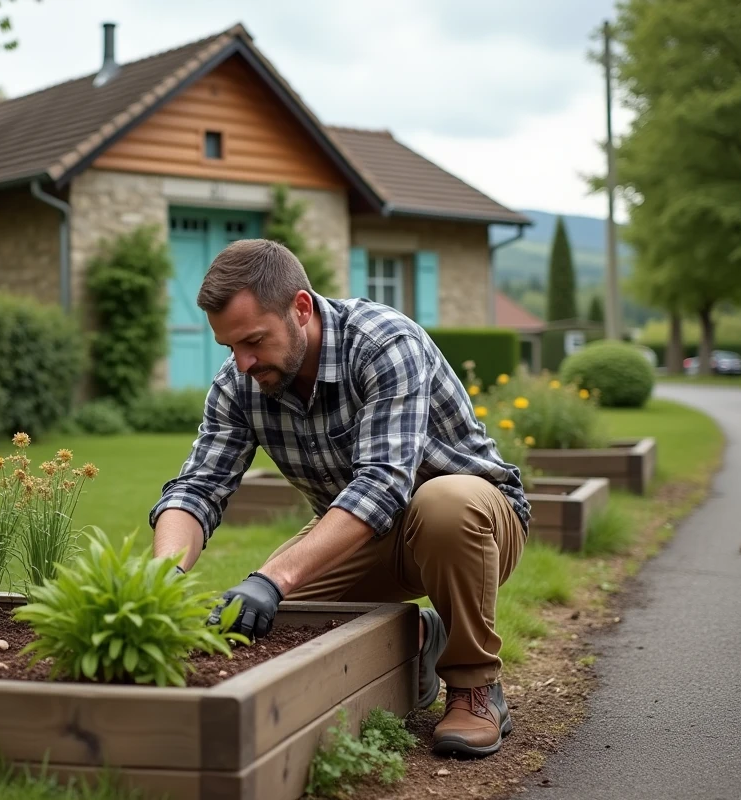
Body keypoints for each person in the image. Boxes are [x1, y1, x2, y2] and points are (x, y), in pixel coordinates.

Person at [148, 239, 530, 759]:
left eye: (254, 341)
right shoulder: (240, 386)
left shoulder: (382, 342)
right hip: (362, 534)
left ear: (301, 308)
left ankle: (475, 686)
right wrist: (161, 578)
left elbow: (383, 484)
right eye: (230, 347)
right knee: (273, 628)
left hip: (473, 520)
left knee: (444, 503)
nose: (242, 362)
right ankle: (415, 638)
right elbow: (197, 488)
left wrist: (273, 577)